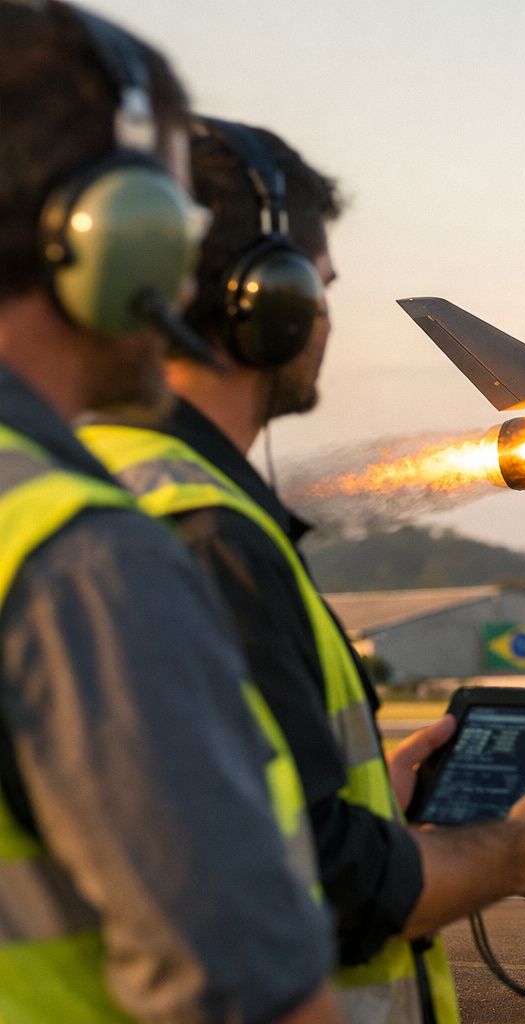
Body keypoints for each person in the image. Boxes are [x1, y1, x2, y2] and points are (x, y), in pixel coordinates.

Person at [77, 117, 525, 1023]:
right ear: (264, 301)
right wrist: (517, 853)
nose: (323, 317)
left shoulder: (102, 487)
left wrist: (368, 801)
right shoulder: (194, 530)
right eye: (315, 289)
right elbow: (291, 895)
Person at [0, 4, 340, 1022]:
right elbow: (246, 993)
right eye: (178, 231)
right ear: (117, 236)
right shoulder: (79, 556)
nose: (192, 284)